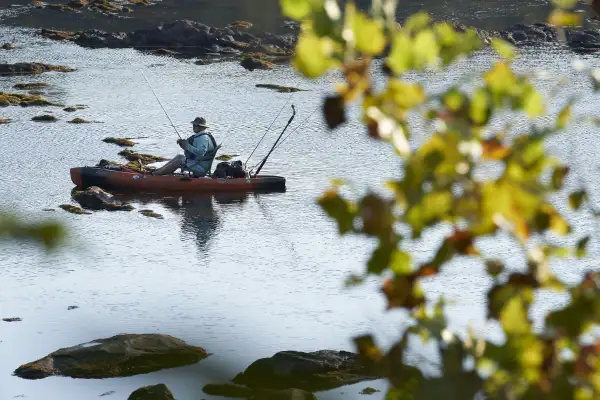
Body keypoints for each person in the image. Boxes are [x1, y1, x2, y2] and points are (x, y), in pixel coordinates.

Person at [151, 117, 220, 177]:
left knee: (179, 160)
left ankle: (155, 175)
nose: (194, 126)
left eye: (197, 125)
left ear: (203, 127)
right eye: (194, 124)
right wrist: (183, 145)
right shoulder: (200, 136)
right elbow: (192, 151)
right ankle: (159, 171)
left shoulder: (203, 138)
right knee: (179, 156)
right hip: (198, 163)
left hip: (201, 168)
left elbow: (201, 152)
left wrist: (187, 146)